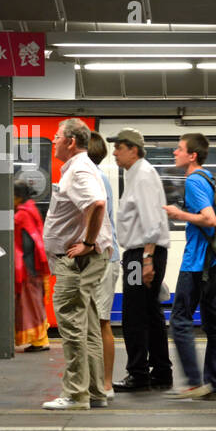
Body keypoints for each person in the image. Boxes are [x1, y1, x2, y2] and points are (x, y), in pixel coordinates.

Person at [41, 118, 114, 410]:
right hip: (88, 258)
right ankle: (95, 391)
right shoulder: (82, 167)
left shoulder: (79, 169)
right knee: (90, 325)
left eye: (57, 137)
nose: (54, 141)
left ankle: (75, 394)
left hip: (78, 261)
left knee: (71, 323)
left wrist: (86, 241)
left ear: (71, 142)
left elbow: (97, 204)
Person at [163, 133, 216, 400]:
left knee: (179, 319)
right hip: (214, 262)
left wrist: (179, 215)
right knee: (214, 325)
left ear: (192, 155)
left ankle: (193, 381)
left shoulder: (193, 180)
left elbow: (209, 219)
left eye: (179, 149)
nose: (174, 153)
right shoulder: (209, 178)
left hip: (197, 264)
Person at [111, 128, 172, 392]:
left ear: (133, 149)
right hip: (144, 253)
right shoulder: (136, 173)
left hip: (142, 254)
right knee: (150, 312)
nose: (114, 153)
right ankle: (160, 371)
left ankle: (138, 373)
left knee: (134, 314)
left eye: (119, 148)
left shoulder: (143, 175)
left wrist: (147, 259)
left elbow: (152, 220)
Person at [86, 132, 121, 397]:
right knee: (95, 322)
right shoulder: (96, 177)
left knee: (101, 322)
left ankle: (106, 383)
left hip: (104, 258)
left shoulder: (95, 178)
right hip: (101, 258)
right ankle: (97, 380)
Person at [13, 180, 50, 351]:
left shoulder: (22, 214)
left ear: (17, 197)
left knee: (31, 304)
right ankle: (40, 338)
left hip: (28, 267)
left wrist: (20, 264)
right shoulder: (31, 208)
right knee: (35, 302)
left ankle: (39, 340)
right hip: (36, 265)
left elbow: (27, 244)